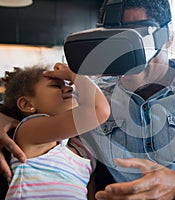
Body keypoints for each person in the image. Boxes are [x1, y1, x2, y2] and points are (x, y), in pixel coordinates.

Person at [0, 0, 175, 199]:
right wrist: (5, 117)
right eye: (114, 39)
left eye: (137, 36)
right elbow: (35, 108)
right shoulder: (92, 97)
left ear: (168, 37)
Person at [0, 64, 110, 199]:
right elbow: (98, 110)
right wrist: (74, 75)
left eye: (69, 84)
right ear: (27, 105)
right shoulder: (29, 130)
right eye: (56, 86)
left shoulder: (86, 152)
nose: (70, 88)